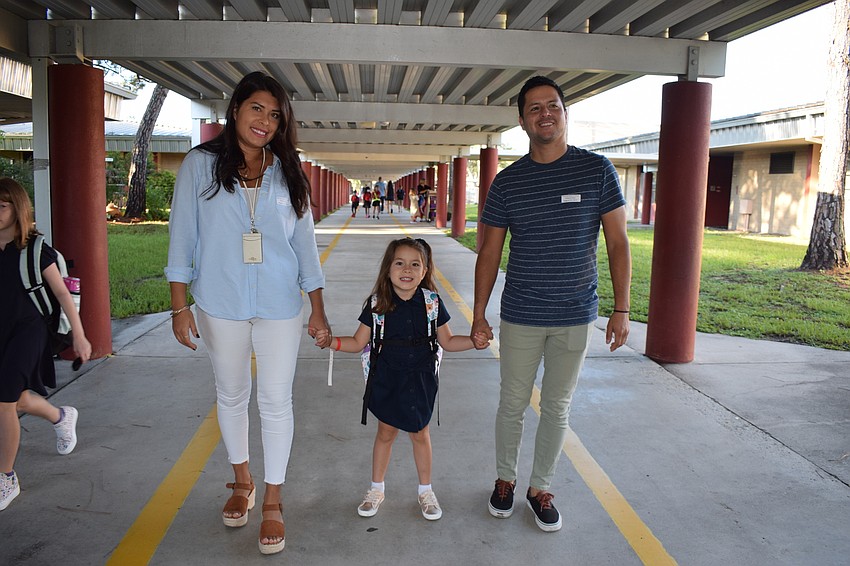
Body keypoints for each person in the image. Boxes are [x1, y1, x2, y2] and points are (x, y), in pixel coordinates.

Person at [165, 71, 331, 555]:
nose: (265, 120)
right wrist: (179, 306)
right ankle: (242, 482)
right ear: (235, 108)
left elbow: (304, 245)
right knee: (232, 393)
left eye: (275, 114)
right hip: (220, 301)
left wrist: (316, 307)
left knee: (277, 401)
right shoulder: (199, 166)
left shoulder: (288, 169)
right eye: (257, 108)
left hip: (281, 304)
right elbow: (182, 239)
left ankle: (274, 499)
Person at [472, 75, 631, 533]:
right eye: (535, 108)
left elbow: (618, 243)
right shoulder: (508, 182)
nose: (546, 113)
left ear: (564, 113)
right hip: (521, 313)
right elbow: (489, 251)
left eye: (553, 106)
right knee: (512, 404)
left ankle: (540, 487)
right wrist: (479, 313)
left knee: (558, 407)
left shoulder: (597, 170)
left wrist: (621, 310)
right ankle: (505, 480)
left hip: (575, 314)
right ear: (522, 120)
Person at [319, 238, 487, 521]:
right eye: (400, 263)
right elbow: (359, 341)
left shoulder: (432, 303)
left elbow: (447, 341)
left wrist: (474, 341)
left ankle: (425, 490)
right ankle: (376, 488)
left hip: (421, 377)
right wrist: (331, 342)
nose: (406, 269)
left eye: (415, 264)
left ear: (424, 271)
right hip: (387, 377)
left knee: (420, 433)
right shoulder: (377, 304)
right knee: (385, 431)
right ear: (388, 269)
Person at [0, 177, 92, 512]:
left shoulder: (37, 250)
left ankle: (6, 476)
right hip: (2, 332)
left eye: (2, 205)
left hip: (30, 331)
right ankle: (60, 416)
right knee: (14, 399)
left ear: (18, 208)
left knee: (4, 400)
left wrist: (80, 335)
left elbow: (62, 294)